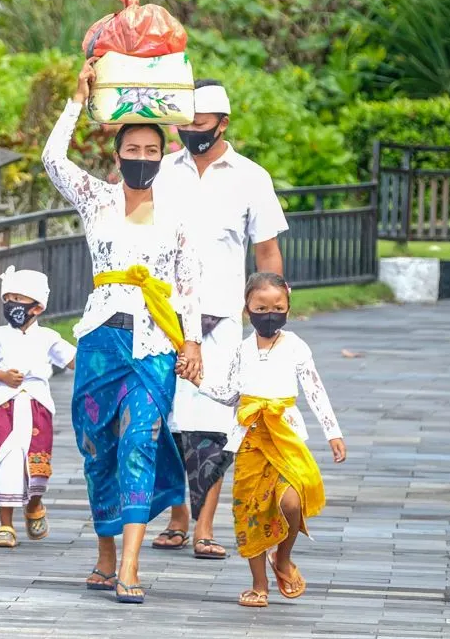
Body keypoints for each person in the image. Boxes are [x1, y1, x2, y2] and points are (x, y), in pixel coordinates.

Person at [41, 60, 203, 604]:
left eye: (150, 152)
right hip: (100, 340)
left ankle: (130, 567)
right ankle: (106, 552)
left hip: (155, 344)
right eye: (131, 151)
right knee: (97, 449)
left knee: (139, 442)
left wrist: (194, 343)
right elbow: (50, 159)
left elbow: (188, 283)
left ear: (163, 157)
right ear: (118, 156)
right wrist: (77, 99)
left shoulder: (177, 213)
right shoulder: (97, 199)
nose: (140, 159)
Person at [151, 79, 288, 559]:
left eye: (201, 124)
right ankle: (177, 515)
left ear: (223, 123)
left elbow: (267, 251)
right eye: (183, 123)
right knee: (167, 420)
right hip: (162, 317)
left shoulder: (251, 177)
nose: (190, 131)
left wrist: (267, 317)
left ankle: (204, 526)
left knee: (213, 422)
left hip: (223, 321)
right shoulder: (161, 170)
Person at [191, 271, 347, 607]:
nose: (270, 314)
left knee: (291, 501)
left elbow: (314, 389)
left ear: (288, 307)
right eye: (261, 307)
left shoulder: (296, 346)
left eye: (278, 306)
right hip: (248, 439)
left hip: (286, 434)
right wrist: (198, 382)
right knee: (253, 511)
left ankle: (284, 557)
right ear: (247, 310)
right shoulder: (241, 350)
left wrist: (332, 432)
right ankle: (259, 584)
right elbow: (230, 394)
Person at [0, 265, 76, 548]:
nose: (12, 306)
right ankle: (5, 525)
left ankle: (34, 504)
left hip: (37, 406)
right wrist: (3, 377)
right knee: (5, 462)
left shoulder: (48, 338)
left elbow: (72, 360)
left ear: (37, 307)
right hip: (4, 406)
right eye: (9, 300)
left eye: (19, 300)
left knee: (37, 462)